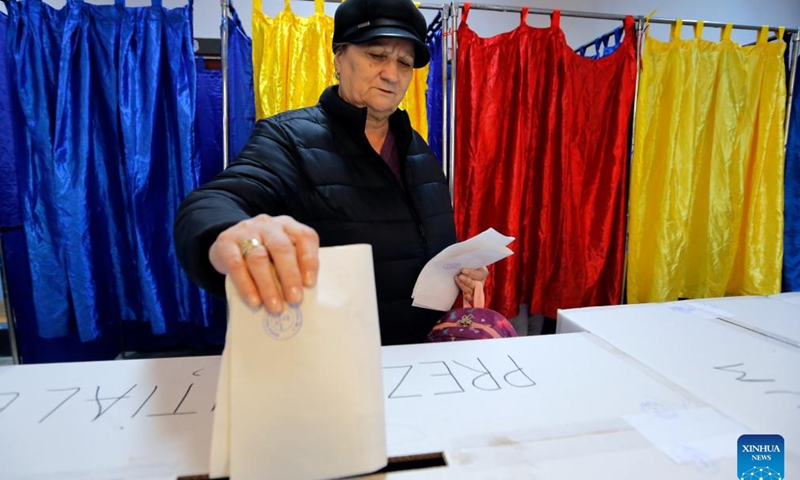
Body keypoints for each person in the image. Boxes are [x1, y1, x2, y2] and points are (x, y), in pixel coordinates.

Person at [174, 0, 487, 345]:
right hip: (334, 358)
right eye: (376, 55)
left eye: (404, 62)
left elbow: (425, 244)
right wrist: (231, 235)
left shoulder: (419, 150)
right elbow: (218, 199)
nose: (392, 74)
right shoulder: (288, 138)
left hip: (419, 357)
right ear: (339, 57)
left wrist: (459, 270)